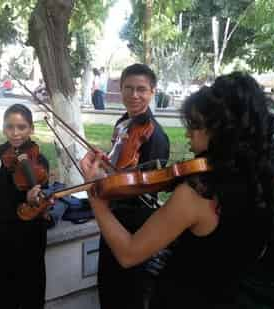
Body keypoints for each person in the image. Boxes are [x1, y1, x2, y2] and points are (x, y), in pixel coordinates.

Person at [80, 71, 274, 307]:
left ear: (223, 130)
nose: (187, 132)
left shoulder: (196, 194)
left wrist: (97, 199)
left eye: (195, 125)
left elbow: (129, 253)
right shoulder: (263, 180)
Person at [94, 63, 170, 308]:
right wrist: (106, 162)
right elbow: (118, 160)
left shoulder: (155, 136)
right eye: (128, 88)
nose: (134, 95)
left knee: (127, 293)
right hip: (113, 215)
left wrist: (110, 184)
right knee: (106, 286)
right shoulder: (123, 122)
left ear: (152, 92)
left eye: (141, 89)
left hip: (134, 225)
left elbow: (149, 189)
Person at [0, 104, 49, 309]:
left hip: (30, 229)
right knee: (3, 281)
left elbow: (41, 199)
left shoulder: (39, 160)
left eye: (21, 127)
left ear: (31, 129)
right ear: (4, 129)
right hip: (3, 226)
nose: (16, 132)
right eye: (10, 127)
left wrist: (33, 198)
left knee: (32, 283)